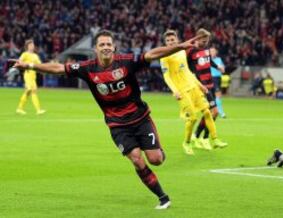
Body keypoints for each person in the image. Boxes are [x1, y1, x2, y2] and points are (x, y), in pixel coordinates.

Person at [12, 29, 203, 209]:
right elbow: (58, 67)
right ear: (95, 48)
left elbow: (153, 54)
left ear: (114, 47)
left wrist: (180, 46)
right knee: (136, 159)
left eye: (108, 44)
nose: (105, 47)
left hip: (140, 118)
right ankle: (163, 197)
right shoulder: (87, 68)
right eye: (101, 44)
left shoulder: (127, 62)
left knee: (156, 160)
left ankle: (158, 152)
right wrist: (30, 66)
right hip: (117, 124)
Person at [160, 29, 227, 154]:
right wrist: (174, 91)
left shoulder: (181, 53)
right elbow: (167, 76)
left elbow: (187, 72)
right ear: (165, 42)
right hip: (182, 91)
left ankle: (214, 139)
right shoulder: (164, 57)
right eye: (168, 40)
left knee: (207, 112)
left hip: (193, 87)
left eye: (172, 40)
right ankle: (186, 142)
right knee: (193, 118)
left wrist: (199, 85)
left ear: (177, 40)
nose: (170, 42)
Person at [186, 28, 227, 149]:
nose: (205, 42)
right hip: (201, 86)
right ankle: (204, 138)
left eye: (207, 40)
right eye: (204, 40)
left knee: (211, 113)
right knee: (213, 112)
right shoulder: (190, 51)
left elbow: (209, 62)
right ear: (197, 38)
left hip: (210, 84)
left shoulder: (207, 50)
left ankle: (197, 136)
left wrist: (218, 66)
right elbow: (186, 68)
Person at [16, 39, 46, 115]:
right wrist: (24, 65)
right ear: (27, 46)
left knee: (32, 91)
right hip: (27, 74)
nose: (32, 46)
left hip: (33, 76)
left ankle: (20, 109)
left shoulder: (36, 56)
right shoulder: (25, 54)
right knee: (30, 89)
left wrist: (43, 70)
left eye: (33, 45)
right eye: (30, 45)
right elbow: (19, 61)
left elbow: (40, 65)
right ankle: (38, 110)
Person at [210, 47, 226, 118]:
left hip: (218, 78)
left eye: (213, 51)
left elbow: (223, 70)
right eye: (211, 51)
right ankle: (221, 112)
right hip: (211, 78)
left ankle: (215, 110)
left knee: (218, 96)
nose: (212, 52)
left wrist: (222, 68)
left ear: (216, 52)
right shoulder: (208, 60)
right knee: (216, 95)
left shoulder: (219, 59)